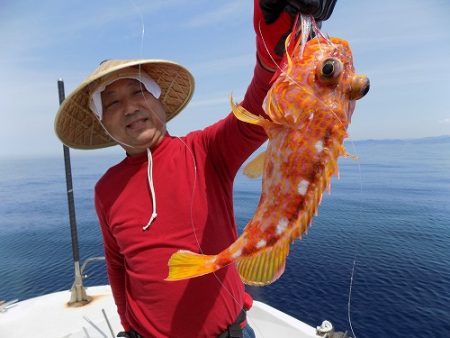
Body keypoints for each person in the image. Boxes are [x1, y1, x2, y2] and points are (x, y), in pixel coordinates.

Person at [54, 1, 336, 337]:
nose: (129, 107)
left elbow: (257, 108)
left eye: (139, 91)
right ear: (103, 124)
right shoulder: (106, 190)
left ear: (161, 102)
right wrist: (128, 325)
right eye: (111, 102)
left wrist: (273, 33)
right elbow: (117, 265)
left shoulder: (206, 151)